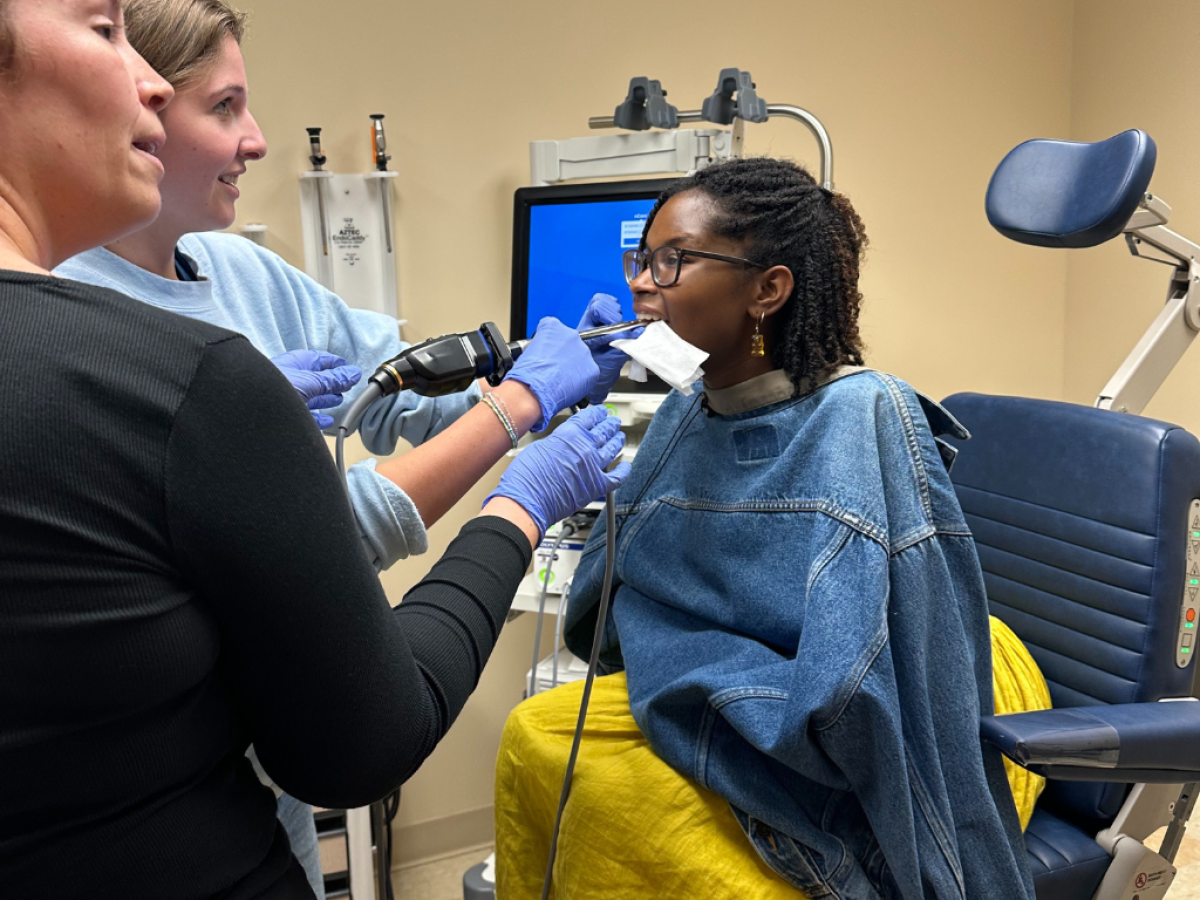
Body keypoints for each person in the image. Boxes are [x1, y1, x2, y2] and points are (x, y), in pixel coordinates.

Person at [0, 2, 628, 898]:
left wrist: (526, 368)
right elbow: (333, 573)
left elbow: (395, 390)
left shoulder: (235, 274)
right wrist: (520, 444)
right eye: (222, 109)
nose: (255, 140)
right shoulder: (147, 359)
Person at [495, 158, 1039, 900]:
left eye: (672, 260)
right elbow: (606, 604)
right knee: (535, 741)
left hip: (892, 702)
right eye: (642, 258)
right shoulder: (688, 409)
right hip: (728, 704)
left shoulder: (864, 415)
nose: (642, 282)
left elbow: (896, 683)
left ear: (769, 289)